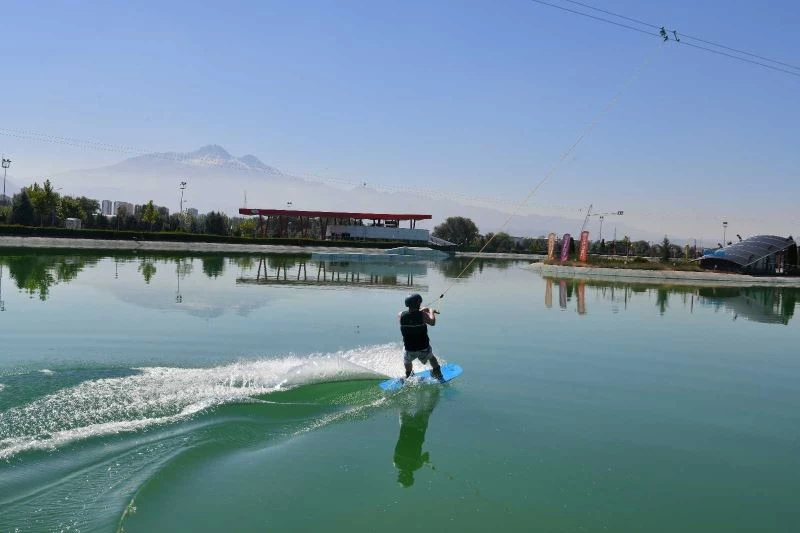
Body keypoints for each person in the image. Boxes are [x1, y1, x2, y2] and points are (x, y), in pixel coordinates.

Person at [399, 293, 444, 381]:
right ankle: (437, 373)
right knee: (432, 358)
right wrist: (431, 311)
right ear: (419, 303)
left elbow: (412, 315)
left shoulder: (400, 315)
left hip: (409, 348)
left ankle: (409, 376)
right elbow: (432, 322)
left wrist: (421, 310)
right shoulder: (423, 315)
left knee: (407, 360)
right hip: (423, 347)